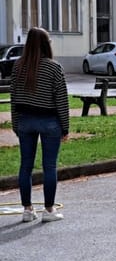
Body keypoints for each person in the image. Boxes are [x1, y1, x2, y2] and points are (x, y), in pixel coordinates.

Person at [10, 27, 70, 222]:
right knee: (49, 166)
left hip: (25, 120)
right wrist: (65, 126)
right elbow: (61, 100)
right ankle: (49, 210)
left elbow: (14, 97)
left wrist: (15, 124)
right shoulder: (54, 67)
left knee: (25, 166)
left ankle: (27, 210)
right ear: (46, 44)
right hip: (49, 121)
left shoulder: (18, 66)